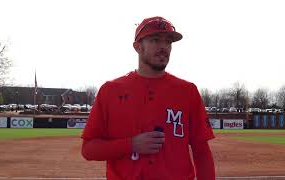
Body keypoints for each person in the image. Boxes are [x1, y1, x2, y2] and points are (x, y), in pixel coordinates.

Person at [81, 16, 215, 180]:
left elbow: (201, 152)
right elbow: (88, 149)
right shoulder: (110, 90)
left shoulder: (187, 91)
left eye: (168, 42)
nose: (163, 47)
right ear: (137, 47)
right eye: (155, 40)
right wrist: (131, 144)